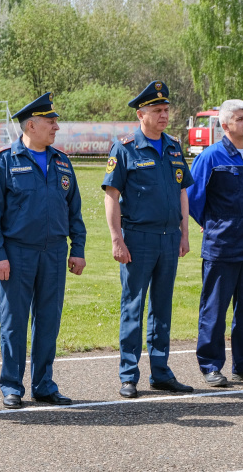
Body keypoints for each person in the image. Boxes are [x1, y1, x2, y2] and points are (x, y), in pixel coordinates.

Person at [0, 92, 87, 410]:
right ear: (31, 125)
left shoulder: (61, 161)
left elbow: (74, 211)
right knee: (14, 322)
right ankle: (12, 385)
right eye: (50, 121)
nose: (56, 126)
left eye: (55, 120)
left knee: (49, 321)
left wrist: (77, 248)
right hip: (17, 254)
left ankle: (44, 384)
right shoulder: (4, 161)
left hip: (53, 253)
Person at [102, 80, 194, 399]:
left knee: (162, 307)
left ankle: (161, 371)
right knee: (133, 306)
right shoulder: (125, 148)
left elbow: (182, 190)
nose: (164, 115)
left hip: (169, 238)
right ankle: (129, 374)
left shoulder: (172, 146)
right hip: (138, 237)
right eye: (157, 110)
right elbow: (112, 195)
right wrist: (117, 239)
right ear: (141, 114)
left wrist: (184, 232)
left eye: (166, 110)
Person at [187, 99, 243, 387]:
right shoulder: (210, 158)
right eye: (240, 119)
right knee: (214, 308)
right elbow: (193, 200)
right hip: (221, 246)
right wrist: (213, 224)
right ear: (225, 125)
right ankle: (211, 365)